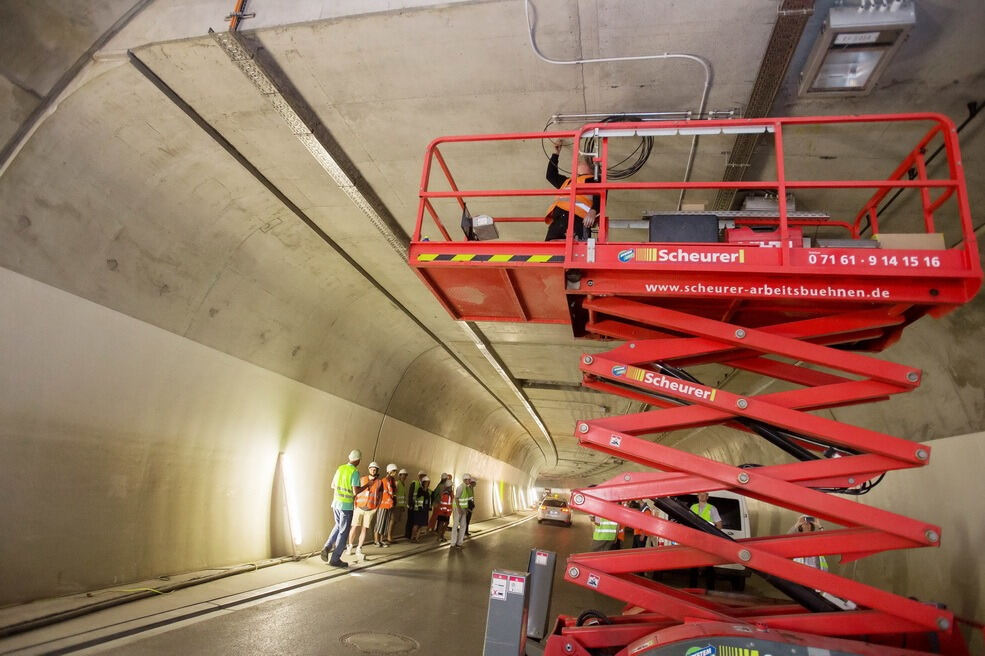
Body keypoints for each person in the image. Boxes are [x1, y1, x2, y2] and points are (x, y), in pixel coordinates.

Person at [320, 449, 368, 568]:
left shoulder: (340, 468)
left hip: (336, 503)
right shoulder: (354, 472)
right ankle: (335, 559)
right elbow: (355, 491)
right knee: (343, 532)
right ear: (358, 460)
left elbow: (333, 485)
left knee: (337, 526)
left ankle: (327, 547)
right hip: (346, 506)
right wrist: (367, 486)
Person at [544, 140, 600, 241]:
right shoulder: (568, 181)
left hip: (577, 221)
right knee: (551, 250)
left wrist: (593, 211)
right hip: (558, 221)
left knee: (574, 250)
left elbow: (600, 195)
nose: (579, 162)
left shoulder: (593, 180)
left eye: (584, 162)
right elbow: (550, 175)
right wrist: (556, 153)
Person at [346, 461, 383, 558]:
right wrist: (354, 504)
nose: (373, 470)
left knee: (364, 529)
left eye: (375, 469)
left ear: (377, 470)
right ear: (369, 469)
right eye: (371, 469)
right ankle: (350, 546)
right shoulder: (362, 479)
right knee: (354, 527)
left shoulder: (379, 482)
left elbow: (380, 495)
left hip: (370, 509)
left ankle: (359, 548)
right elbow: (356, 491)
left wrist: (377, 508)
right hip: (359, 507)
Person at [689, 492, 722, 589]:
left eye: (704, 495)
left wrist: (715, 537)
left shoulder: (712, 508)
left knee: (709, 565)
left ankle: (711, 589)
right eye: (700, 494)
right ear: (697, 496)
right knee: (693, 565)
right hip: (695, 540)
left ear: (708, 497)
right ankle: (692, 588)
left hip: (707, 541)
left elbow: (719, 524)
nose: (702, 496)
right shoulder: (693, 507)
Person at [373, 464, 398, 547]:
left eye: (395, 471)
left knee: (385, 523)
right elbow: (385, 493)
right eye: (393, 471)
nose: (394, 473)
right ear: (389, 471)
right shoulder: (384, 480)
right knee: (380, 523)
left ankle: (381, 540)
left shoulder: (392, 481)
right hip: (383, 505)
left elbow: (394, 492)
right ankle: (376, 540)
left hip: (390, 505)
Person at [450, 474, 474, 549]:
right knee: (455, 525)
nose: (470, 481)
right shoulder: (461, 487)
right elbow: (456, 498)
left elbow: (465, 500)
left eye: (470, 479)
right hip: (458, 509)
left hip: (463, 509)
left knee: (463, 526)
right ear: (465, 480)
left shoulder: (466, 488)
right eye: (469, 479)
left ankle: (459, 543)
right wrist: (459, 509)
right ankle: (453, 544)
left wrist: (466, 509)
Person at [388, 468, 409, 544]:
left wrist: (403, 506)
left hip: (400, 506)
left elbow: (402, 496)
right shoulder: (397, 483)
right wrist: (393, 504)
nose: (405, 477)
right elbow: (394, 494)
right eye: (403, 475)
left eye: (405, 475)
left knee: (395, 521)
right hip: (396, 506)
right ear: (400, 476)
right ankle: (389, 537)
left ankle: (391, 536)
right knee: (392, 521)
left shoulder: (403, 484)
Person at [410, 476, 432, 542]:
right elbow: (417, 498)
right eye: (427, 482)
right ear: (423, 482)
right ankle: (413, 537)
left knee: (421, 525)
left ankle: (417, 538)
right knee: (416, 524)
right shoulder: (420, 490)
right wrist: (419, 507)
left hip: (425, 510)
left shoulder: (429, 491)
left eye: (429, 482)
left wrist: (429, 507)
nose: (428, 484)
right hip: (419, 510)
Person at [406, 470, 426, 540]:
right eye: (421, 476)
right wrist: (410, 504)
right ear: (419, 476)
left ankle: (413, 535)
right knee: (410, 520)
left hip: (418, 506)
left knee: (415, 522)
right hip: (412, 505)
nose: (423, 477)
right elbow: (410, 494)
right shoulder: (414, 483)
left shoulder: (423, 485)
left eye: (424, 476)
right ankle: (408, 535)